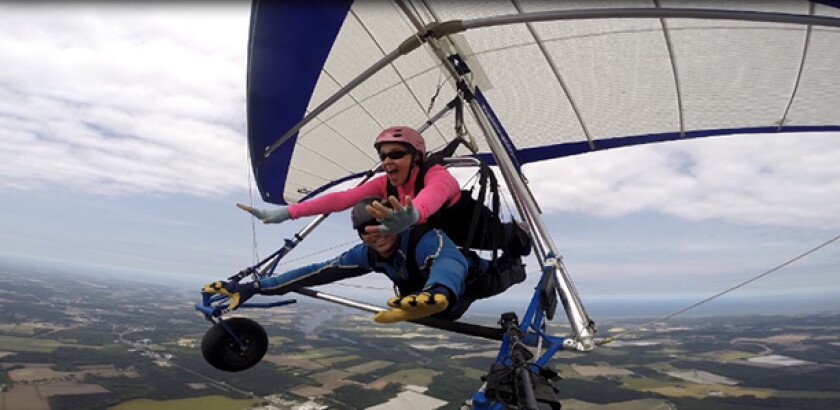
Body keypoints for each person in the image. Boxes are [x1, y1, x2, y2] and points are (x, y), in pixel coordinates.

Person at [204, 197, 527, 323]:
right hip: (428, 298)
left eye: (382, 228)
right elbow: (316, 271)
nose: (376, 236)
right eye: (366, 231)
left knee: (513, 270)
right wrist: (255, 287)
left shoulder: (424, 238)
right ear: (359, 235)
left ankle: (517, 239)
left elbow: (447, 262)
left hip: (473, 280)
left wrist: (440, 290)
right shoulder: (366, 253)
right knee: (431, 311)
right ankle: (434, 302)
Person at [238, 126, 532, 258]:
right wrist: (289, 212)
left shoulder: (436, 176)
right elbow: (342, 199)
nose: (388, 161)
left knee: (511, 244)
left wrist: (413, 215)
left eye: (396, 154)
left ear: (415, 157)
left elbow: (431, 199)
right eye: (384, 156)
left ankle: (517, 230)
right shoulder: (386, 183)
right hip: (449, 236)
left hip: (477, 229)